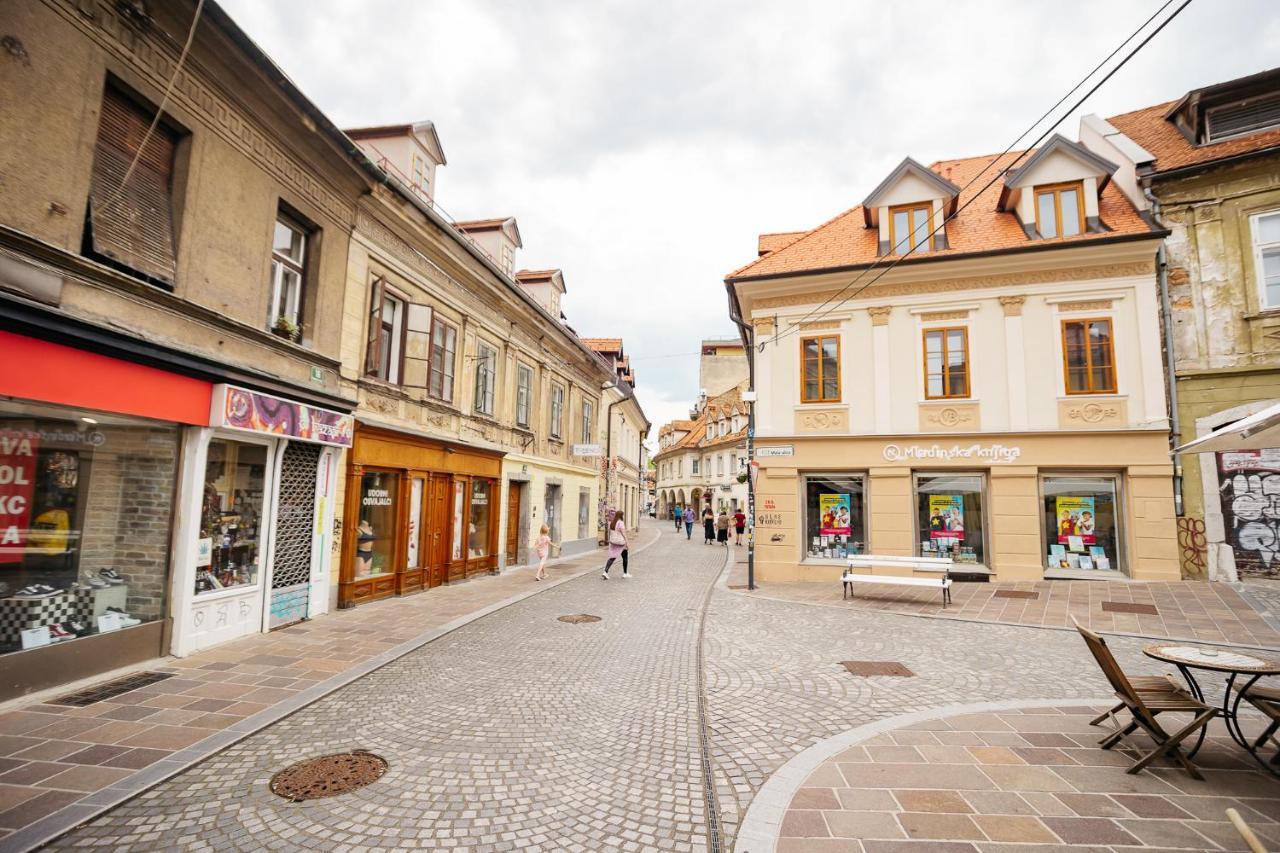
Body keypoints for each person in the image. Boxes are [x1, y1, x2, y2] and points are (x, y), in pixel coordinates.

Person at [602, 511, 630, 579]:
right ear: (621, 515)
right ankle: (625, 573)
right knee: (625, 557)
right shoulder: (621, 523)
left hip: (613, 542)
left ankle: (605, 572)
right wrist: (627, 542)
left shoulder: (612, 522)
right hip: (620, 543)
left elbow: (610, 532)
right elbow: (623, 533)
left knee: (612, 557)